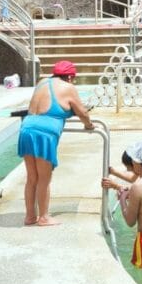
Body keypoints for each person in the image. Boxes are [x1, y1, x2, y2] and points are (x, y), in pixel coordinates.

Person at [18, 60, 94, 226]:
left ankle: (30, 216)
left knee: (32, 178)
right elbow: (82, 112)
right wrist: (89, 125)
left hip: (26, 128)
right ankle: (44, 217)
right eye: (73, 78)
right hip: (44, 134)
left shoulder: (42, 82)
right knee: (44, 178)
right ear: (69, 76)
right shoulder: (68, 88)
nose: (73, 81)